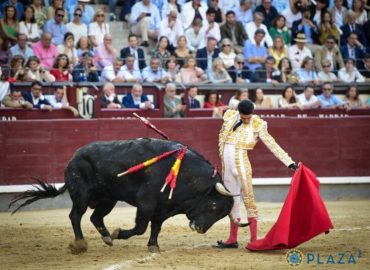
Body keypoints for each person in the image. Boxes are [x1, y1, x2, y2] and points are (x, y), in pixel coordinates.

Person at [216, 99, 298, 248]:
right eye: (243, 117)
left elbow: (272, 144)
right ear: (239, 112)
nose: (247, 120)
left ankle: (254, 240)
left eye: (249, 117)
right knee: (232, 200)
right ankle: (232, 239)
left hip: (241, 164)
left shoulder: (257, 124)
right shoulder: (230, 116)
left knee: (249, 200)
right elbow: (222, 140)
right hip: (227, 166)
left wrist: (289, 162)